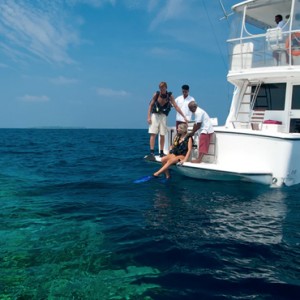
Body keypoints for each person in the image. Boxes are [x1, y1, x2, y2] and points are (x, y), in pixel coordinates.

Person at [147, 81, 188, 158]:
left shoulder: (170, 96)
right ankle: (152, 152)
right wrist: (148, 117)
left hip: (164, 116)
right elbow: (151, 105)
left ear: (166, 87)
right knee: (153, 134)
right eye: (160, 88)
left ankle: (161, 152)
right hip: (155, 115)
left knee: (162, 134)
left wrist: (184, 116)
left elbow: (176, 106)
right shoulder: (156, 94)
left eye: (163, 87)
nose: (162, 89)